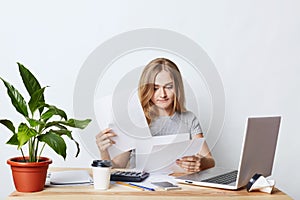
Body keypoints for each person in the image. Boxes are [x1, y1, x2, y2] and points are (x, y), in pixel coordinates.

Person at [96, 58, 215, 172]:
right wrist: (104, 151)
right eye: (155, 88)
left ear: (177, 88)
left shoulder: (188, 119)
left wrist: (200, 163)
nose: (162, 94)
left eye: (169, 87)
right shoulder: (134, 119)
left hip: (177, 187)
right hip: (141, 188)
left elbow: (210, 161)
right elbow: (117, 166)